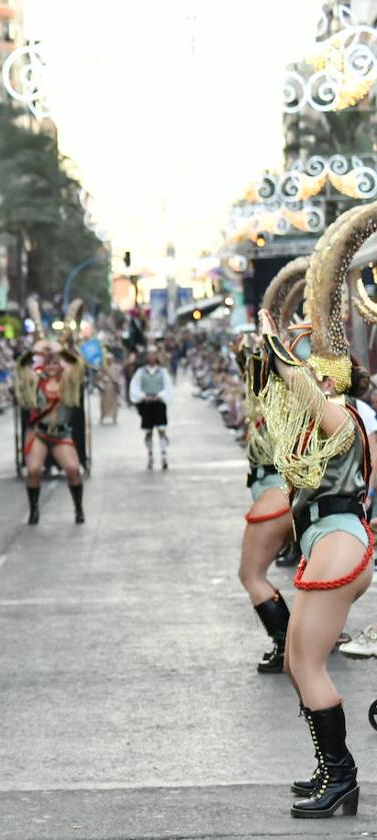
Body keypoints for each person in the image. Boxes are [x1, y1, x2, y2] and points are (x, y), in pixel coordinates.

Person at [255, 217, 377, 819]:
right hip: (327, 540)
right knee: (297, 661)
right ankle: (332, 771)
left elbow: (296, 387)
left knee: (306, 662)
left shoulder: (344, 420)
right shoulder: (321, 421)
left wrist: (279, 343)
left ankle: (344, 780)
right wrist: (272, 347)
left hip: (339, 540)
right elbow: (275, 390)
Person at [236, 260, 304, 674]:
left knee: (251, 575)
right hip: (287, 496)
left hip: (275, 497)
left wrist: (272, 335)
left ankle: (286, 646)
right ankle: (295, 642)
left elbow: (252, 354)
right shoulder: (289, 403)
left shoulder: (276, 402)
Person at [14, 337, 86, 525]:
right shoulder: (35, 380)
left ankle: (78, 508)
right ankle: (34, 510)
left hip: (61, 433)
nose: (52, 366)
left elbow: (78, 365)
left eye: (55, 362)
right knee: (34, 470)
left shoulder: (68, 380)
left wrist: (60, 350)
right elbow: (21, 367)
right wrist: (33, 351)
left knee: (72, 469)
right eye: (49, 362)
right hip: (40, 433)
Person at [129, 345, 174, 470]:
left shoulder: (162, 372)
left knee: (161, 429)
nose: (152, 357)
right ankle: (150, 455)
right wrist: (143, 396)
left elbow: (168, 387)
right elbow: (135, 387)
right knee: (148, 431)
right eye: (149, 354)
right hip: (147, 404)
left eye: (154, 354)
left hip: (159, 404)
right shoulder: (141, 372)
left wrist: (160, 396)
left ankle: (164, 455)